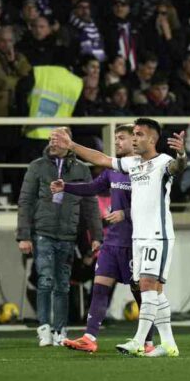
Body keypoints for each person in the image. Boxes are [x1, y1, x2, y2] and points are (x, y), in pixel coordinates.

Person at [50, 119, 188, 357]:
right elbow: (101, 159)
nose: (134, 138)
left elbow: (178, 166)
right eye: (133, 134)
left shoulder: (163, 162)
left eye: (139, 134)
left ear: (152, 139)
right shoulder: (131, 164)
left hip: (158, 236)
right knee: (155, 291)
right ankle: (168, 344)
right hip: (138, 238)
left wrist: (182, 153)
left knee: (146, 287)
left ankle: (139, 341)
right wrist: (71, 145)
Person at [60, 125, 154, 353]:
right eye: (116, 139)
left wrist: (125, 213)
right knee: (100, 288)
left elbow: (153, 206)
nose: (117, 143)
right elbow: (92, 187)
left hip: (136, 242)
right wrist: (66, 187)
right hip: (112, 242)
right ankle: (89, 337)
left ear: (134, 141)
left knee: (140, 293)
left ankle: (148, 342)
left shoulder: (144, 170)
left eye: (121, 138)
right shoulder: (113, 171)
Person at [16, 127, 102, 347]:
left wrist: (97, 235)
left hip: (68, 233)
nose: (53, 142)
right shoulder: (37, 167)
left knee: (63, 284)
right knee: (45, 280)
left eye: (58, 139)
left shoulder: (81, 169)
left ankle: (60, 330)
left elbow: (91, 204)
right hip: (42, 232)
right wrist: (23, 236)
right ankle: (44, 327)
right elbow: (25, 201)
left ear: (68, 142)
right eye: (51, 139)